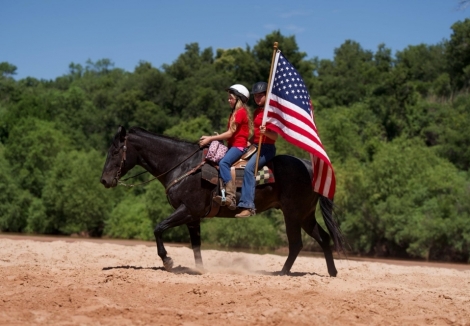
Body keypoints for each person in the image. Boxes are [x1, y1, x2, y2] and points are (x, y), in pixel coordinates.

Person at [199, 84, 252, 210]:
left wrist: (211, 138)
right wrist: (218, 138)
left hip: (239, 147)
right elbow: (230, 134)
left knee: (223, 163)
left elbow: (230, 133)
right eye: (228, 98)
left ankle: (231, 196)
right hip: (233, 145)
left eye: (231, 98)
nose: (229, 100)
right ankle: (222, 195)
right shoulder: (234, 113)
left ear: (238, 99)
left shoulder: (240, 113)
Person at [235, 82, 277, 217]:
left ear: (266, 96)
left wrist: (266, 133)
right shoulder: (257, 112)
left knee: (249, 169)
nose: (257, 98)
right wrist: (249, 141)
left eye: (260, 96)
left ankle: (248, 206)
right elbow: (256, 133)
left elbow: (275, 136)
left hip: (267, 148)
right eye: (255, 96)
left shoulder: (271, 112)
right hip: (256, 145)